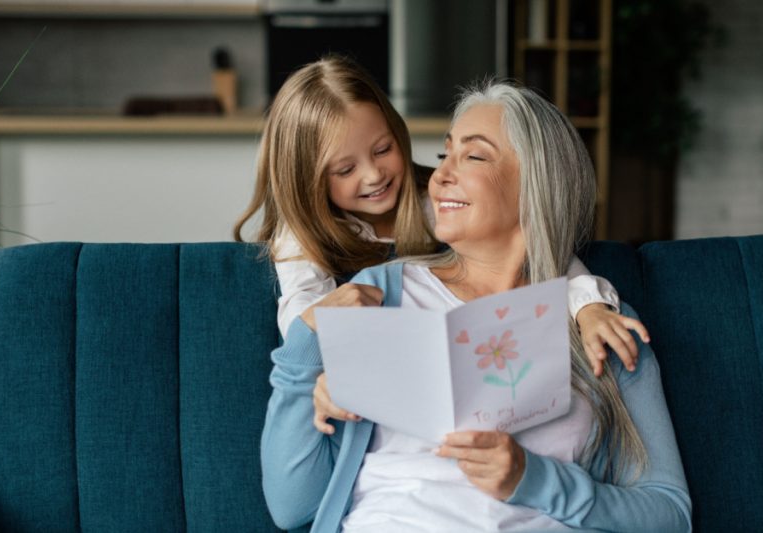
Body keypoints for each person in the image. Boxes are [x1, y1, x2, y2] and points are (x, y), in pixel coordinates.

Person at [261, 81, 692, 532]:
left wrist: (534, 478)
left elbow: (670, 516)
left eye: (475, 156)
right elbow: (292, 507)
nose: (441, 174)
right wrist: (305, 356)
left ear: (537, 181)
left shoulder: (602, 327)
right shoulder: (378, 296)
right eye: (446, 153)